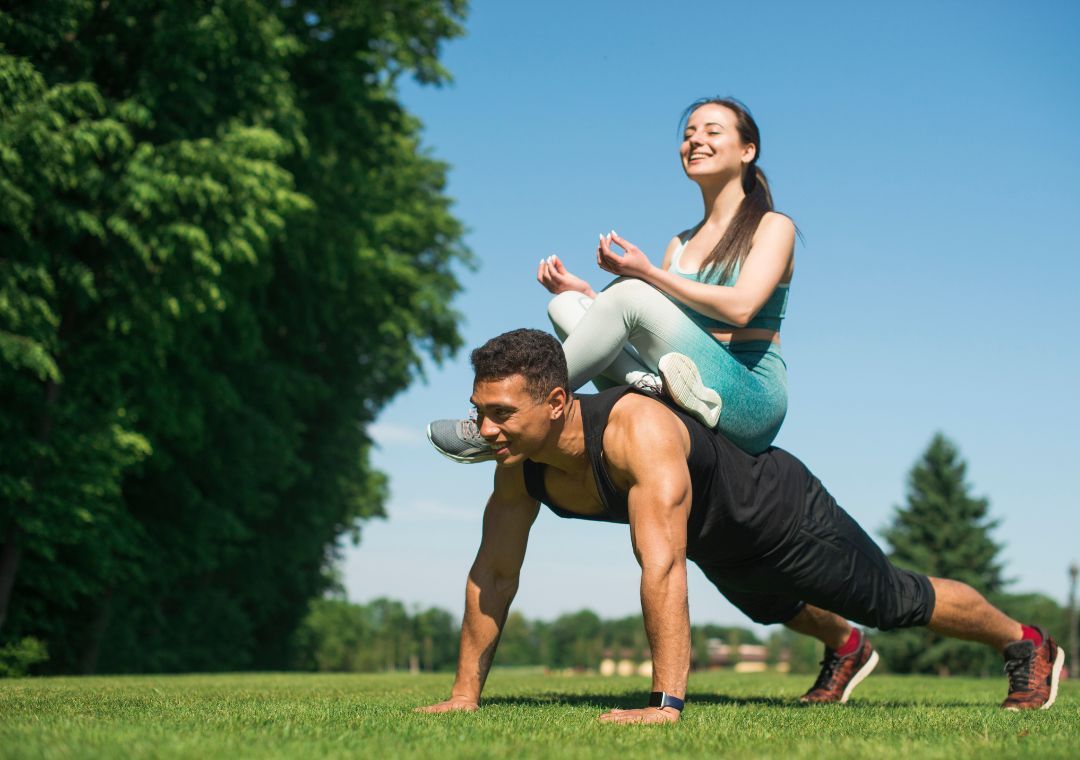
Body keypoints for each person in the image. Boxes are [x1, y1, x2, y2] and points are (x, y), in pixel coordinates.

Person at [416, 329, 1064, 724]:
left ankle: (1026, 642)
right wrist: (465, 693)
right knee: (772, 608)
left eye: (501, 413)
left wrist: (664, 705)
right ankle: (846, 648)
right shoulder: (517, 465)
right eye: (479, 412)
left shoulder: (635, 431)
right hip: (717, 543)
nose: (485, 429)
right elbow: (494, 574)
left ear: (557, 403)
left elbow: (660, 567)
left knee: (892, 600)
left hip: (782, 515)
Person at [428, 97, 795, 463]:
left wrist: (647, 273)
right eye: (689, 134)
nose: (696, 140)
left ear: (748, 150)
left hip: (748, 394)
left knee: (631, 294)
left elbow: (742, 308)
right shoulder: (680, 243)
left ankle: (511, 414)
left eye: (712, 131)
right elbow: (650, 318)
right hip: (685, 373)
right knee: (565, 305)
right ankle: (657, 391)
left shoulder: (773, 226)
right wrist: (587, 295)